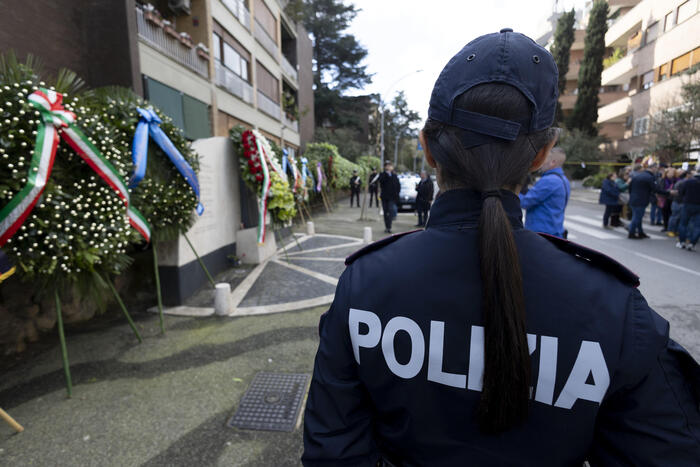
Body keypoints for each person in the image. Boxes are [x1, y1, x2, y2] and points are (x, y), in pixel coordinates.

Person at [302, 30, 700, 466]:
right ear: (541, 153)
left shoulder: (364, 284)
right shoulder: (617, 311)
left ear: (427, 149)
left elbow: (333, 452)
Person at [519, 147, 570, 237]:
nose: (541, 163)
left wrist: (513, 191)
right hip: (554, 231)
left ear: (552, 162)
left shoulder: (549, 180)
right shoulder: (564, 179)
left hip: (541, 234)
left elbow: (525, 202)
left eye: (544, 159)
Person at [627, 162, 669, 239]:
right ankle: (631, 232)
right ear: (653, 168)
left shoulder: (637, 176)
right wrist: (669, 192)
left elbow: (630, 187)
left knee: (638, 217)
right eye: (656, 168)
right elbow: (655, 189)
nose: (657, 170)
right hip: (641, 200)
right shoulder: (649, 177)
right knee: (637, 217)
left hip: (633, 199)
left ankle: (640, 232)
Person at [677, 169, 700, 251]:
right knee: (697, 226)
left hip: (687, 204)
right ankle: (692, 243)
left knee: (683, 223)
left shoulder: (688, 181)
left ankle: (682, 242)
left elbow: (681, 192)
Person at [378, 162, 400, 233]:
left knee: (390, 211)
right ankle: (386, 226)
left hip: (392, 197)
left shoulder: (394, 175)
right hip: (384, 197)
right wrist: (387, 174)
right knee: (385, 212)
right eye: (387, 166)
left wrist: (397, 194)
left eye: (389, 165)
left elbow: (397, 185)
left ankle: (389, 227)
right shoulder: (382, 174)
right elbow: (381, 181)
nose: (388, 167)